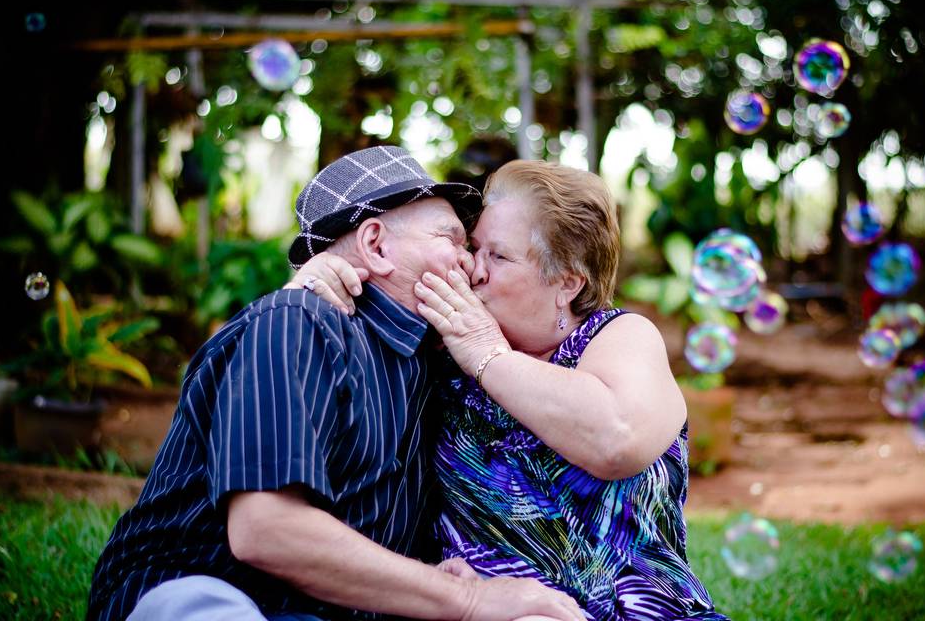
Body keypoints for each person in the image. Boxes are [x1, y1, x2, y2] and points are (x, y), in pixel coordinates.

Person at [88, 146, 587, 621]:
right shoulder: (300, 321)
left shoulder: (434, 360)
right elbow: (267, 531)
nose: (472, 265)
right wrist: (469, 597)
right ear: (375, 244)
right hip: (208, 591)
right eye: (453, 240)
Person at [291, 159, 727, 620]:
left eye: (498, 256)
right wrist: (310, 293)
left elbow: (616, 439)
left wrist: (488, 353)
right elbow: (338, 378)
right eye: (474, 249)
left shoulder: (622, 338)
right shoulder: (441, 350)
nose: (473, 269)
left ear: (566, 283)